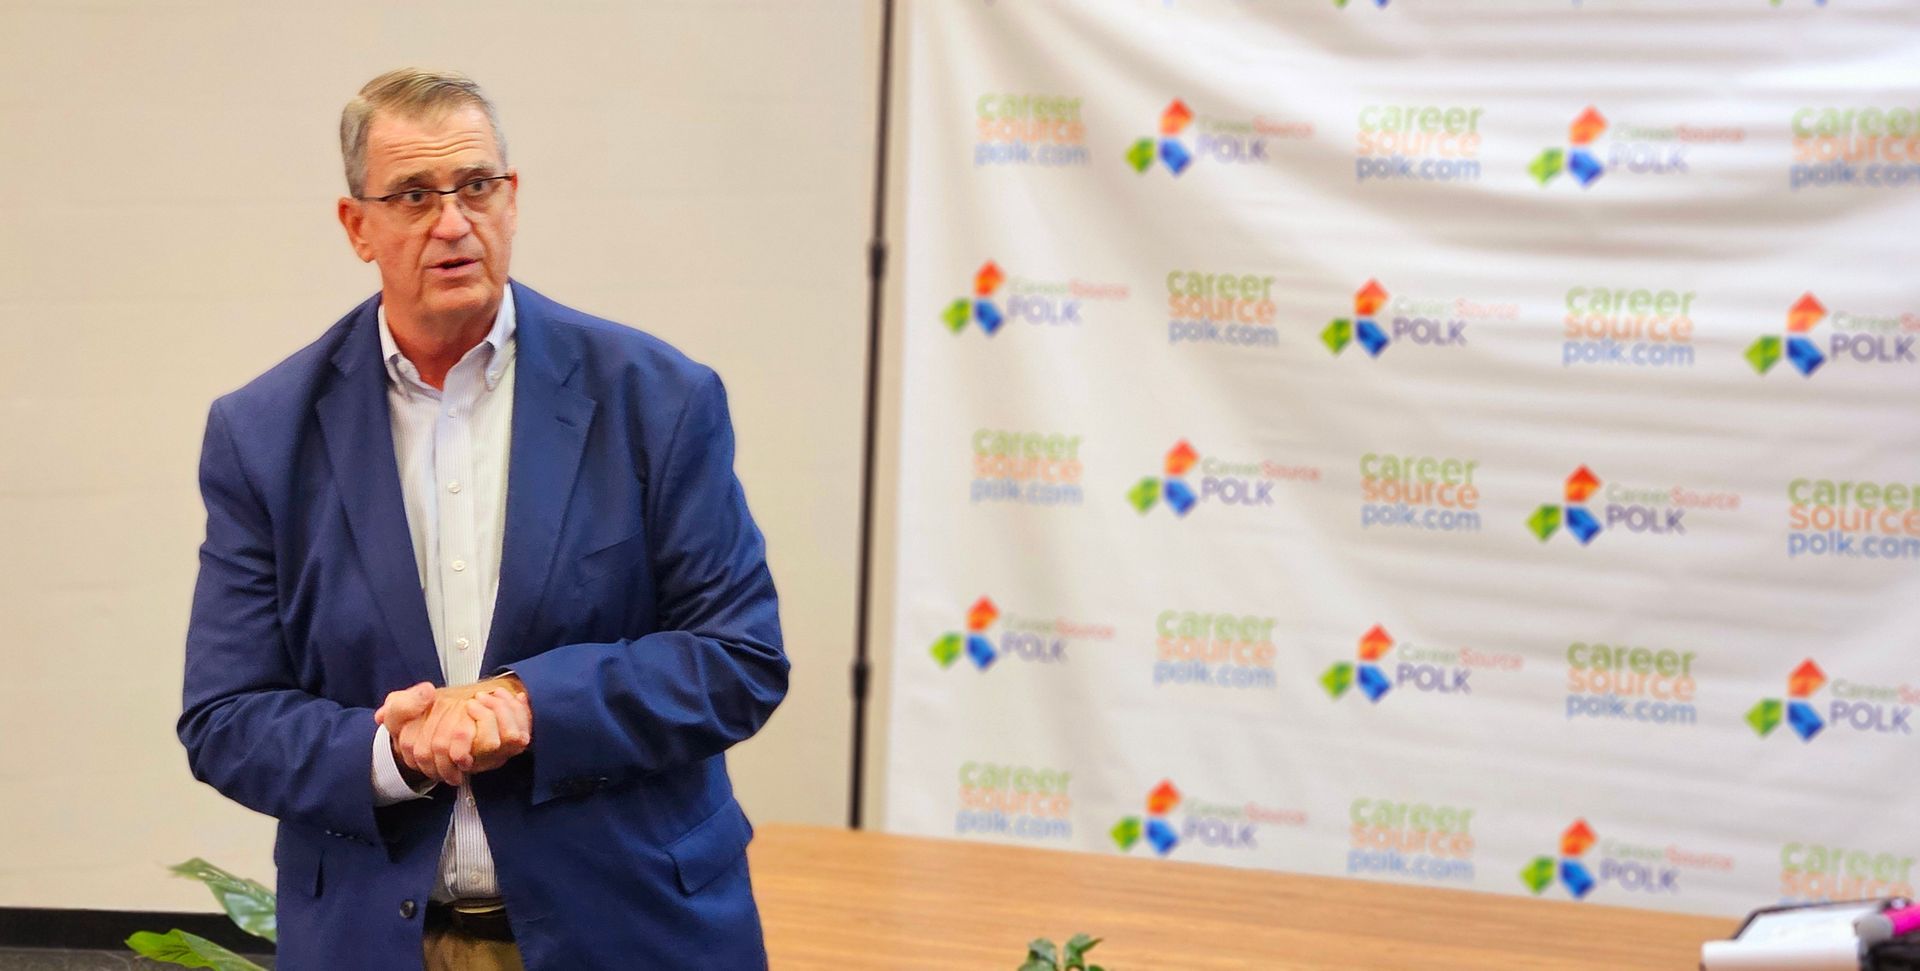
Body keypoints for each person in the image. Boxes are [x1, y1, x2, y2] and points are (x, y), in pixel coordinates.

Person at [178, 68, 788, 971]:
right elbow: (225, 715)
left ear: (513, 197)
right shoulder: (264, 433)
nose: (453, 222)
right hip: (373, 943)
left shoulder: (656, 400)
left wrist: (528, 702)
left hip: (631, 930)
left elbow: (739, 657)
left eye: (476, 186)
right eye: (415, 196)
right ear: (358, 227)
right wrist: (394, 750)